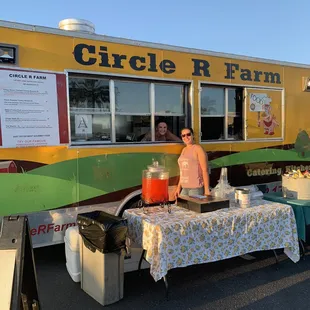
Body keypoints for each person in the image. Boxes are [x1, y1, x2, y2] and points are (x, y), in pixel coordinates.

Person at [174, 127, 210, 198]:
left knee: (192, 208)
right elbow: (183, 171)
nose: (186, 137)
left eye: (188, 134)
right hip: (184, 188)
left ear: (193, 135)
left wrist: (206, 190)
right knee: (182, 208)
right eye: (183, 135)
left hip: (195, 188)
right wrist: (179, 188)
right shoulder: (184, 150)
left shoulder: (198, 149)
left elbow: (205, 170)